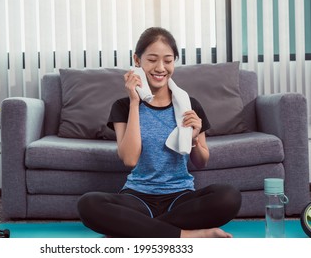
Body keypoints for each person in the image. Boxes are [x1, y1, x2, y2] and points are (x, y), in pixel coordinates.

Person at [77, 27, 242, 238]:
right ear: (137, 61)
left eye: (168, 60)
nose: (160, 68)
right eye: (152, 60)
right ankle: (187, 236)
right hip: (137, 198)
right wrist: (135, 102)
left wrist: (193, 139)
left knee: (229, 196)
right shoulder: (123, 106)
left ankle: (134, 229)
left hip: (180, 199)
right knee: (88, 205)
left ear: (174, 62)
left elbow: (202, 162)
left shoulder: (190, 105)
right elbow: (129, 159)